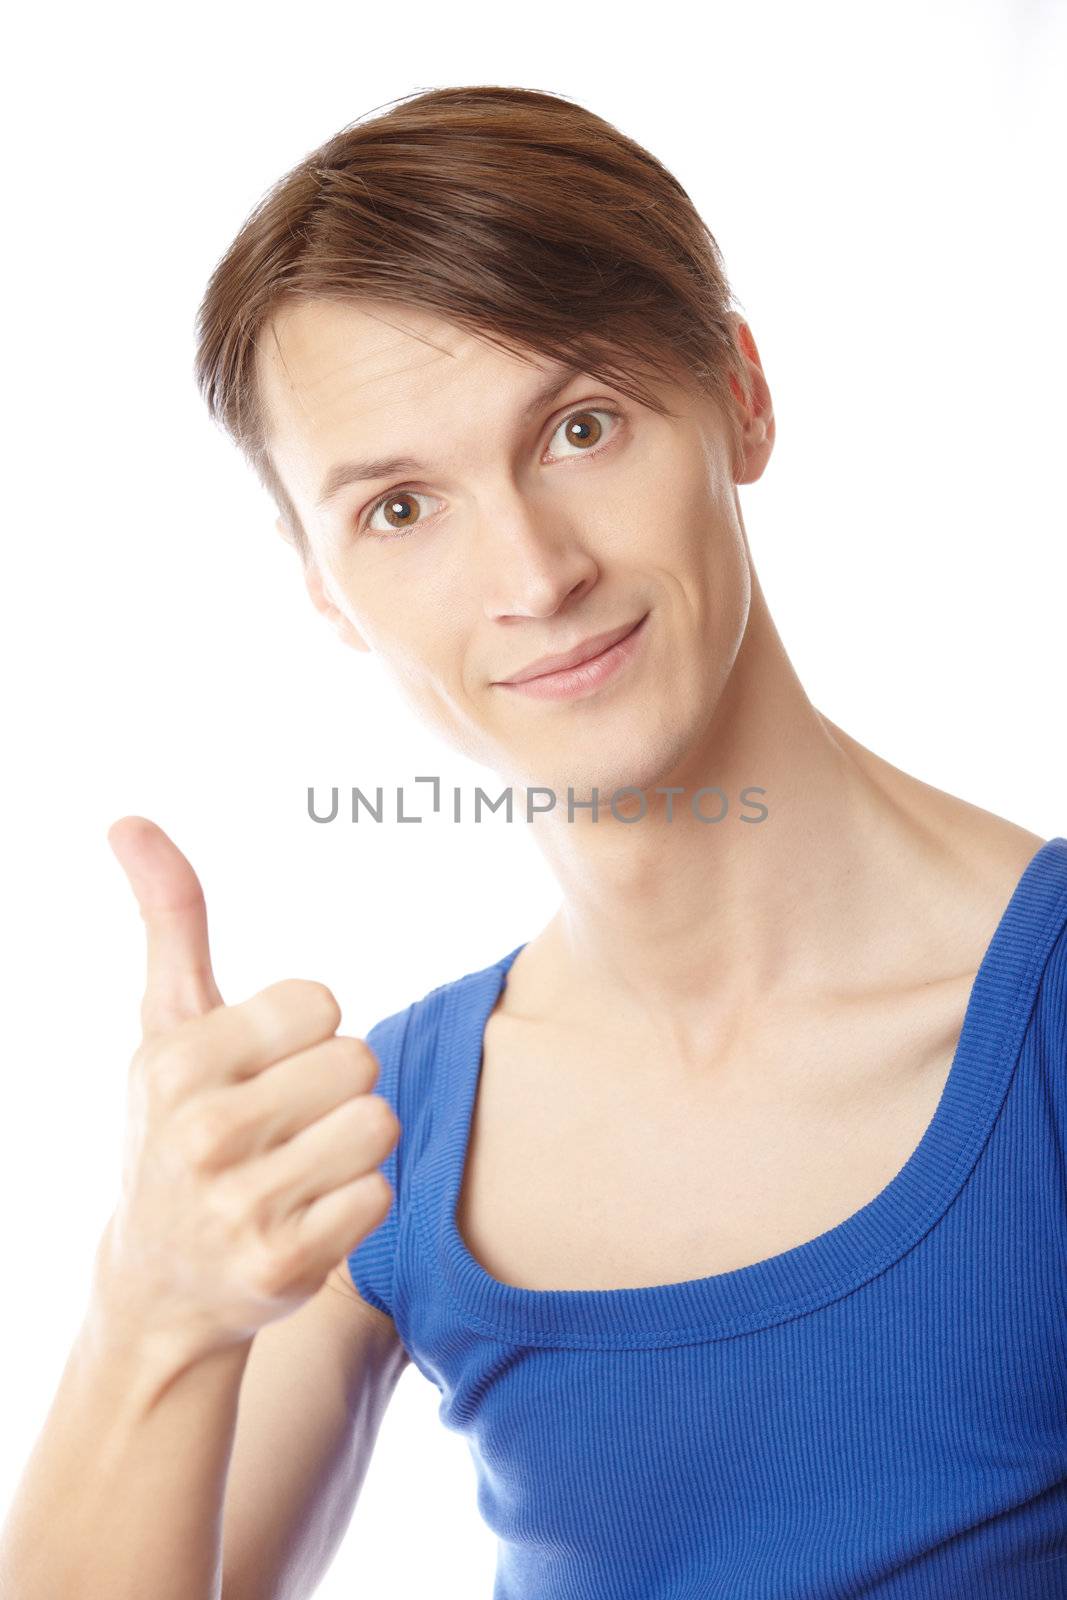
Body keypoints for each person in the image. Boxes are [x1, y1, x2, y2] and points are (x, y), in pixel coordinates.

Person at [4, 84, 1066, 1600]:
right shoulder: (383, 1134)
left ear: (742, 396)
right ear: (320, 586)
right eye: (398, 509)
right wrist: (152, 1306)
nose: (533, 573)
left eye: (579, 427)